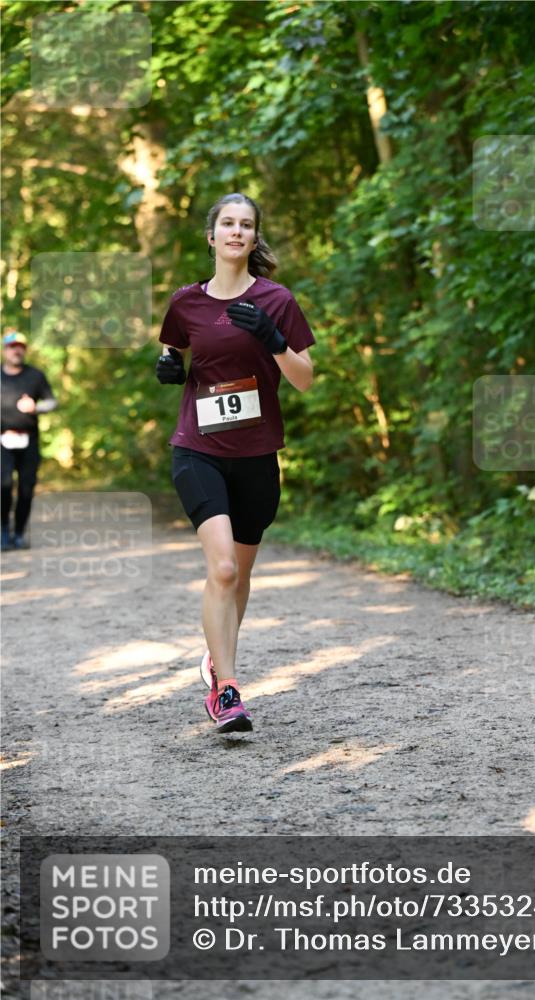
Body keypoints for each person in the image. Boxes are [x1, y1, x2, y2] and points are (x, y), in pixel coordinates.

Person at [157, 192, 316, 734]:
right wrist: (169, 369)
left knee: (240, 575)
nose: (236, 231)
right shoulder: (186, 302)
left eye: (246, 225)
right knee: (222, 568)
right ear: (212, 236)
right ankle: (226, 689)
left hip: (256, 455)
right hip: (197, 449)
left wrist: (273, 340)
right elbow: (172, 350)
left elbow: (304, 378)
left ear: (253, 238)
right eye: (227, 223)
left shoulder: (276, 300)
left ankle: (215, 654)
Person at [1, 329, 58, 551]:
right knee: (3, 485)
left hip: (29, 441)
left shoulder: (35, 375)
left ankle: (18, 533)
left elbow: (51, 402)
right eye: (12, 347)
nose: (16, 351)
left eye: (20, 347)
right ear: (5, 350)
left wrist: (36, 407)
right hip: (2, 441)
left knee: (27, 488)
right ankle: (3, 531)